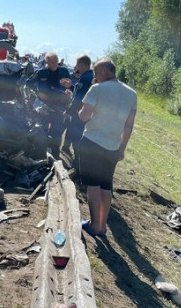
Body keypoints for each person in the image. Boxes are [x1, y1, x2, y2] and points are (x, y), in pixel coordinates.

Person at [78, 58, 137, 237]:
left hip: (92, 142)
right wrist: (122, 148)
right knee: (106, 186)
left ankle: (94, 225)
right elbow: (129, 125)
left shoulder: (96, 89)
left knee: (93, 186)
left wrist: (81, 111)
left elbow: (84, 117)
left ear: (104, 71)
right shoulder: (131, 94)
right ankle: (102, 225)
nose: (95, 77)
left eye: (96, 72)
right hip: (112, 146)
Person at [34, 52, 72, 159]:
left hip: (59, 106)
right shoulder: (41, 72)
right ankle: (41, 153)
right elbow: (29, 83)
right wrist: (38, 93)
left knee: (57, 132)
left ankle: (55, 154)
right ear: (46, 62)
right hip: (44, 106)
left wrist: (69, 86)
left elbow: (71, 86)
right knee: (42, 130)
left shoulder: (64, 71)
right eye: (51, 62)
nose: (54, 64)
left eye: (56, 61)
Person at [62, 54, 94, 164]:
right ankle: (67, 148)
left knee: (76, 135)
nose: (76, 67)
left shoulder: (85, 78)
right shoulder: (90, 76)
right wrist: (71, 87)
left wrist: (68, 111)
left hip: (79, 112)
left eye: (77, 64)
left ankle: (77, 162)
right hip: (86, 112)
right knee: (73, 131)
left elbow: (78, 98)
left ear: (82, 64)